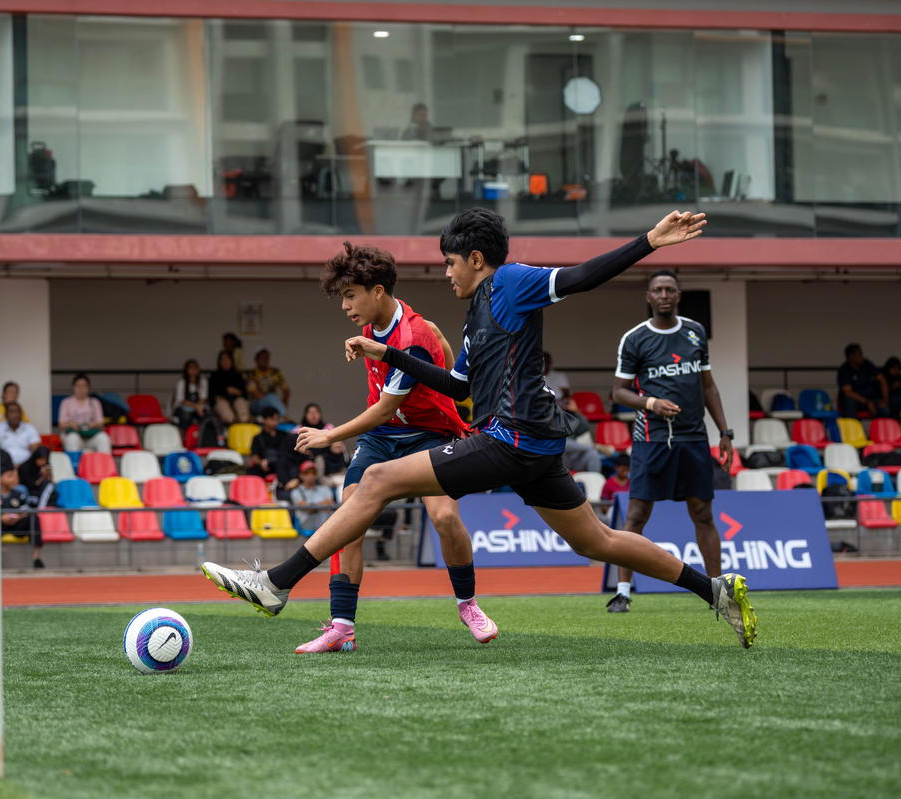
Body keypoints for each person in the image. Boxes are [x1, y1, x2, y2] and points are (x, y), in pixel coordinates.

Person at [203, 208, 757, 650]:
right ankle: (714, 590)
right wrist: (386, 350)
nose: (446, 274)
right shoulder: (478, 314)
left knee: (374, 482)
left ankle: (275, 584)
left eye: (450, 264)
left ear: (475, 258)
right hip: (530, 445)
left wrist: (649, 243)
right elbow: (455, 385)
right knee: (598, 541)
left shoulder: (512, 282)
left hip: (509, 438)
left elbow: (584, 277)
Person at [288, 239, 497, 653]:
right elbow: (393, 404)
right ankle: (341, 627)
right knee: (349, 521)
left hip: (429, 434)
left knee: (443, 518)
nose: (345, 306)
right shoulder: (369, 329)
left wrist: (329, 435)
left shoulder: (412, 334)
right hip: (382, 440)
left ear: (377, 291)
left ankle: (468, 604)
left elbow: (386, 408)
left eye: (350, 296)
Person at [606, 268, 735, 614]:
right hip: (652, 438)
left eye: (670, 290)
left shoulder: (695, 332)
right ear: (649, 297)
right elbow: (617, 392)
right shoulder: (634, 338)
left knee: (703, 513)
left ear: (678, 296)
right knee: (636, 515)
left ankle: (717, 594)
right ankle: (622, 592)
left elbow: (708, 385)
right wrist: (651, 403)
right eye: (658, 290)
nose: (664, 295)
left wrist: (724, 432)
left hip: (694, 437)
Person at [1, 458, 43, 569]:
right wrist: (0, 518)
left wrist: (17, 517)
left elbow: (27, 510)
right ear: (0, 478)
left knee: (34, 518)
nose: (13, 479)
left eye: (14, 476)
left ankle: (36, 557)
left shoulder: (19, 494)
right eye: (9, 476)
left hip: (16, 525)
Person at [58, 373, 111, 454]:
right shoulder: (66, 402)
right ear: (73, 387)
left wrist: (92, 424)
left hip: (91, 436)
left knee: (103, 438)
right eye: (78, 386)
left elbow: (101, 423)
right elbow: (61, 424)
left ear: (89, 387)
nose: (81, 389)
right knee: (72, 438)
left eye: (84, 386)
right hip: (74, 435)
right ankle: (74, 466)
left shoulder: (94, 402)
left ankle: (104, 466)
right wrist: (72, 424)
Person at [836, 344, 888, 418]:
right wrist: (867, 402)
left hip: (871, 399)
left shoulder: (867, 364)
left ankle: (881, 428)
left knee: (885, 410)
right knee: (849, 401)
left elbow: (882, 379)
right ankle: (853, 428)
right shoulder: (844, 370)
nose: (862, 356)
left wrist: (885, 399)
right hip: (858, 401)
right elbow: (848, 392)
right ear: (851, 356)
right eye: (859, 354)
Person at [245, 348, 290, 419]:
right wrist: (273, 404)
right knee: (271, 397)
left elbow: (286, 391)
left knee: (272, 398)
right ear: (256, 360)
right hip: (257, 405)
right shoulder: (250, 374)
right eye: (262, 358)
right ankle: (285, 417)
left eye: (266, 358)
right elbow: (256, 394)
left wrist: (282, 405)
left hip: (274, 404)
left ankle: (282, 415)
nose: (264, 360)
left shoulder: (275, 372)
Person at [291, 460, 335, 533]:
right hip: (306, 528)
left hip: (325, 528)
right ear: (301, 475)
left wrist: (311, 506)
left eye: (313, 473)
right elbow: (308, 509)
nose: (310, 476)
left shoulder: (325, 489)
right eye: (306, 473)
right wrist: (323, 505)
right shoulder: (295, 492)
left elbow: (330, 504)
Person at [209, 350, 251, 425]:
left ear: (231, 360)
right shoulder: (214, 376)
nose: (225, 361)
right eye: (223, 359)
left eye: (227, 359)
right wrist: (226, 391)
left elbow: (244, 394)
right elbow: (212, 395)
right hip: (222, 403)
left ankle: (243, 424)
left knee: (241, 404)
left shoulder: (238, 375)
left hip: (237, 400)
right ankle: (233, 427)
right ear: (219, 362)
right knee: (224, 407)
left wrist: (237, 392)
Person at [247, 407, 286, 479]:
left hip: (281, 465)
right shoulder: (258, 438)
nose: (275, 422)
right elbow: (254, 456)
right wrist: (261, 462)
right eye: (272, 419)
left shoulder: (284, 435)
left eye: (277, 419)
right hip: (264, 466)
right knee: (251, 473)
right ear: (264, 420)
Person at [0, 402, 41, 467]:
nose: (15, 415)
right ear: (6, 415)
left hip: (26, 465)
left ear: (21, 414)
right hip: (5, 466)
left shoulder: (29, 428)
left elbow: (36, 446)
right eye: (11, 412)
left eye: (17, 411)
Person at [172, 359, 209, 429]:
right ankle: (186, 436)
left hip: (198, 407)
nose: (193, 370)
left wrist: (199, 407)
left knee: (206, 414)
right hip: (183, 407)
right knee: (186, 416)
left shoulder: (203, 381)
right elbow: (182, 401)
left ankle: (202, 435)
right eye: (190, 368)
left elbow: (203, 398)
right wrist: (196, 406)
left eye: (195, 368)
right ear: (186, 370)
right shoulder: (181, 383)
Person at [18, 444, 56, 509]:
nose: (42, 462)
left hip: (41, 492)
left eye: (44, 459)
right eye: (40, 459)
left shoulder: (46, 466)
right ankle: (41, 508)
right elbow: (31, 486)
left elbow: (50, 482)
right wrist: (42, 477)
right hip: (28, 491)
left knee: (51, 487)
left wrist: (48, 474)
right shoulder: (25, 467)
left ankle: (43, 507)